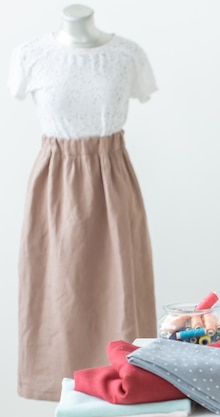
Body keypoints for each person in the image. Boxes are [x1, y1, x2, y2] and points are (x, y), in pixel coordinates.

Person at [8, 5, 157, 400]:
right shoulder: (31, 54)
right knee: (56, 296)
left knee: (122, 295)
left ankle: (128, 390)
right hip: (54, 189)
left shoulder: (127, 54)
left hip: (113, 183)